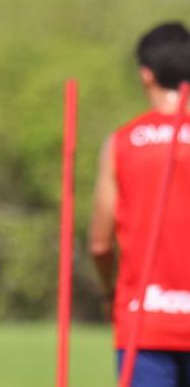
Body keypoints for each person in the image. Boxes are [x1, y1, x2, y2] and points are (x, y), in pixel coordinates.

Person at [89, 22, 190, 386]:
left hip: (145, 322)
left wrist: (108, 294)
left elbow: (100, 244)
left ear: (146, 75)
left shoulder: (122, 144)